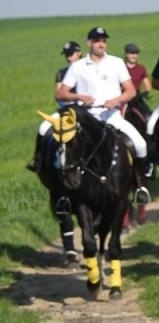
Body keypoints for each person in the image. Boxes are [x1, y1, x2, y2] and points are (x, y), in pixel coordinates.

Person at [50, 27, 153, 204]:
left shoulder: (116, 63)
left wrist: (116, 100)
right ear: (89, 43)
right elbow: (60, 94)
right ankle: (64, 194)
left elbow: (130, 91)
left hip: (111, 116)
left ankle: (139, 185)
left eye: (104, 40)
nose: (101, 44)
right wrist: (79, 96)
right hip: (85, 118)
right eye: (97, 40)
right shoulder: (78, 66)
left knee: (140, 144)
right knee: (65, 150)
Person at [26, 40, 84, 172]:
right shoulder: (61, 73)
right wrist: (67, 106)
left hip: (85, 108)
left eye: (72, 54)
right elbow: (58, 95)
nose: (69, 57)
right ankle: (38, 159)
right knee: (43, 127)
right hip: (67, 109)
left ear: (79, 53)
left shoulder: (87, 69)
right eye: (67, 54)